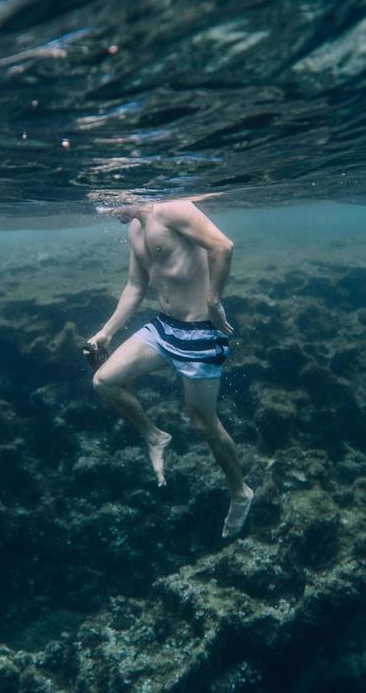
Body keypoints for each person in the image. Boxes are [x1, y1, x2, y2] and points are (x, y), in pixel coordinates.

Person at [86, 198, 253, 539]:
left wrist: (214, 300)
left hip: (201, 333)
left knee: (203, 422)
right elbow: (136, 286)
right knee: (104, 381)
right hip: (164, 328)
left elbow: (223, 245)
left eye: (108, 203)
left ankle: (239, 491)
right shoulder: (135, 228)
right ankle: (154, 435)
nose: (106, 212)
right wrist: (107, 331)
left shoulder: (173, 209)